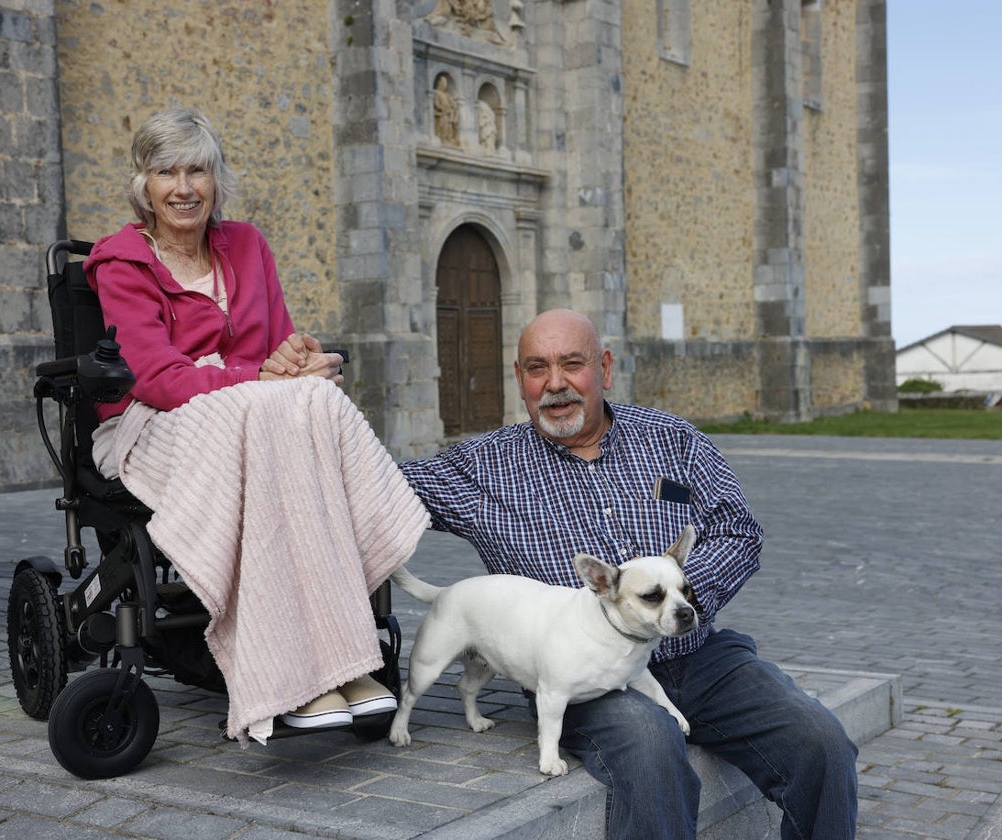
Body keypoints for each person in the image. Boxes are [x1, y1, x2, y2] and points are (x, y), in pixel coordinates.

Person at [399, 309, 858, 839]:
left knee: (818, 739)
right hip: (586, 676)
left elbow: (737, 529)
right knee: (652, 748)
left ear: (605, 368)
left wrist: (672, 608)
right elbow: (376, 484)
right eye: (536, 367)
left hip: (700, 657)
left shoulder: (672, 440)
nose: (555, 383)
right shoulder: (481, 465)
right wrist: (310, 397)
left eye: (573, 364)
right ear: (520, 379)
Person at [83, 108, 429, 743]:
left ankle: (347, 662)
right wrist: (264, 380)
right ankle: (296, 678)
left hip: (252, 415)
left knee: (317, 399)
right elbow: (156, 377)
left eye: (198, 170)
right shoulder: (122, 261)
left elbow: (278, 348)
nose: (184, 187)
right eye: (167, 172)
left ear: (217, 180)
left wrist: (300, 358)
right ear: (145, 185)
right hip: (154, 424)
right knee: (284, 409)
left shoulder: (246, 244)